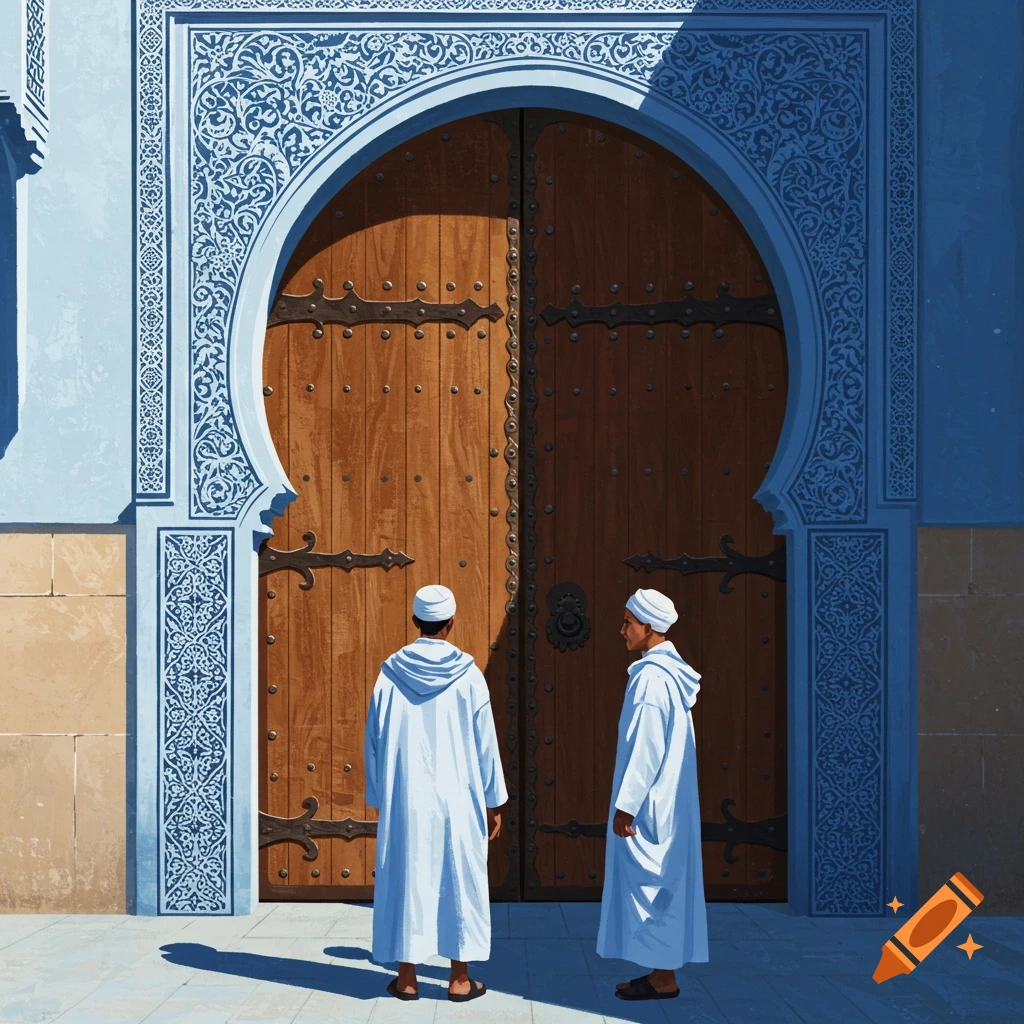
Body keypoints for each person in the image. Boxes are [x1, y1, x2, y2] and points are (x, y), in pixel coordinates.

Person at [364, 584, 507, 1002]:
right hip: (458, 799)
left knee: (406, 878)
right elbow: (486, 743)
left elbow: (374, 739)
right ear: (451, 623)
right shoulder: (470, 676)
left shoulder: (389, 674)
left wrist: (381, 796)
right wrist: (494, 800)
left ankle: (406, 978)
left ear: (416, 622)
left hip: (406, 798)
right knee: (458, 880)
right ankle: (459, 980)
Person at [596, 587, 709, 1000]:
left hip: (650, 805)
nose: (622, 630)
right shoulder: (667, 675)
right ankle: (662, 973)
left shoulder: (651, 679)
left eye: (628, 623)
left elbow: (646, 748)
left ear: (649, 627)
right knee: (662, 885)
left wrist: (626, 807)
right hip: (666, 801)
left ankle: (663, 978)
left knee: (652, 887)